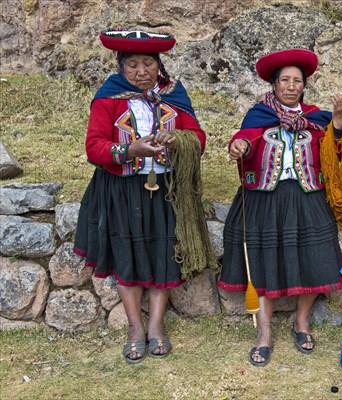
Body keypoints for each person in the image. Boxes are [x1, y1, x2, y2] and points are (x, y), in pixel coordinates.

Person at [74, 29, 211, 364]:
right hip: (121, 189)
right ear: (121, 68)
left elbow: (198, 137)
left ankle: (155, 326)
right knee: (128, 256)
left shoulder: (174, 96)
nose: (140, 71)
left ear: (158, 65)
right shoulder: (108, 98)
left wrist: (178, 140)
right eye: (132, 64)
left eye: (147, 63)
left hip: (167, 190)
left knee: (164, 253)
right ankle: (135, 327)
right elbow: (94, 147)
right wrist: (129, 149)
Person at [218, 48, 342, 367]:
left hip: (307, 198)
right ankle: (264, 333)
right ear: (274, 84)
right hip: (264, 200)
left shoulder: (317, 118)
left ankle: (301, 322)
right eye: (285, 80)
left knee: (312, 259)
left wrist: (337, 122)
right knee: (263, 262)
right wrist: (238, 146)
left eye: (297, 80)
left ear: (304, 86)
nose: (291, 85)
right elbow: (245, 137)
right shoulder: (259, 114)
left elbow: (337, 155)